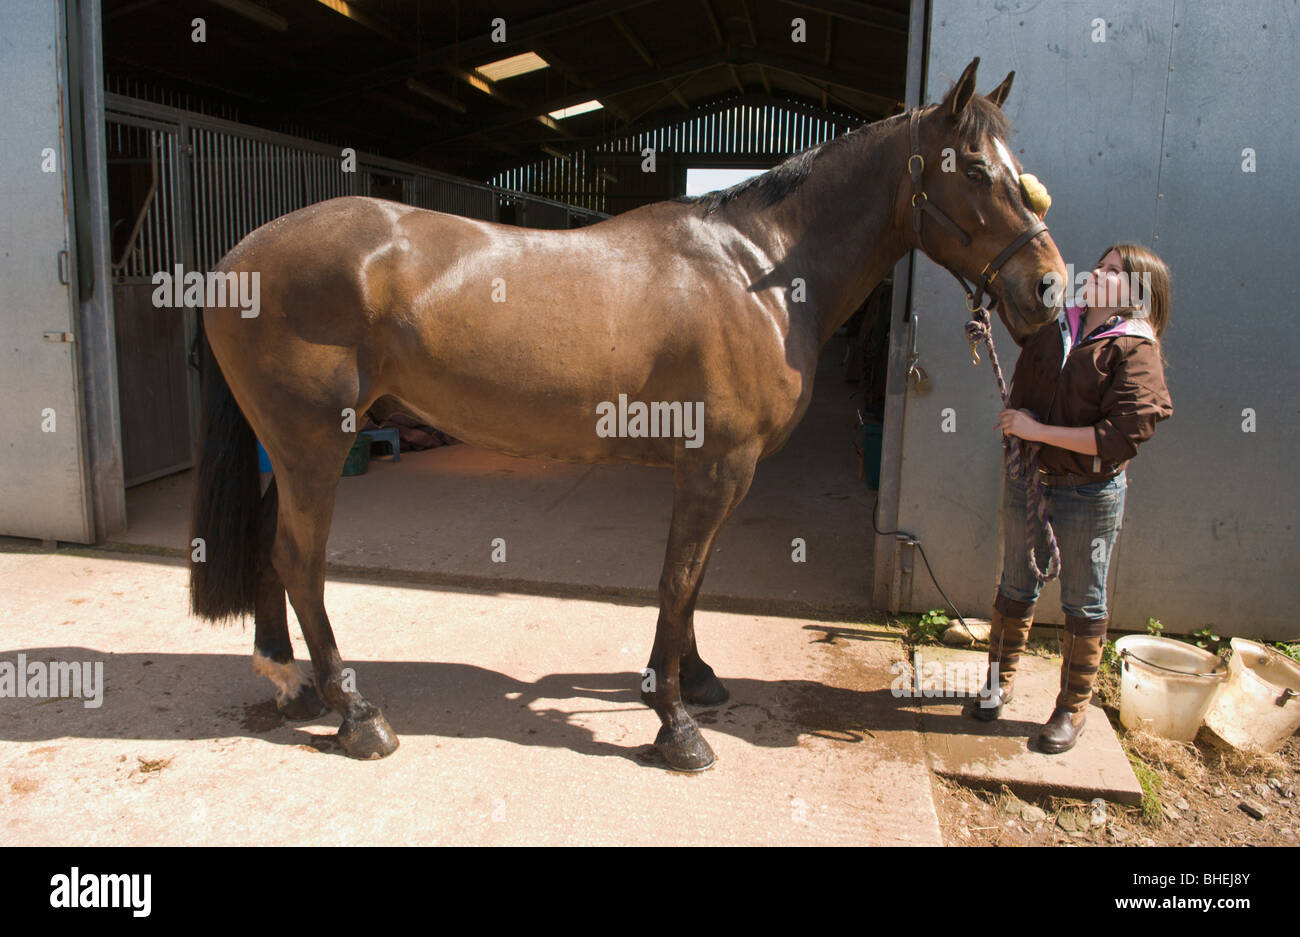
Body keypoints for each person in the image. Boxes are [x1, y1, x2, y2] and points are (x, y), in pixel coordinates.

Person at [972, 243, 1173, 754]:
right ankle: (1000, 683)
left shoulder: (1134, 348)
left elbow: (1120, 436)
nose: (1095, 273)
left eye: (1110, 272)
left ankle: (1071, 709)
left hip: (1090, 491)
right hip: (1028, 480)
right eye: (1099, 266)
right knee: (1014, 585)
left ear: (1134, 291)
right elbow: (1018, 308)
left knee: (1084, 601)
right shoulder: (1057, 325)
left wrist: (1038, 431)